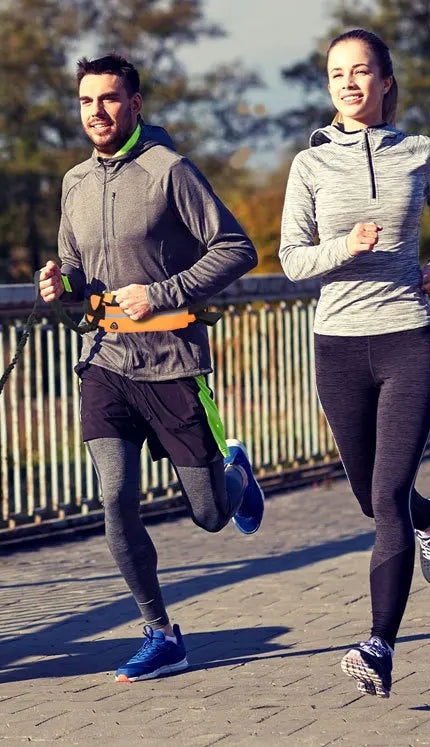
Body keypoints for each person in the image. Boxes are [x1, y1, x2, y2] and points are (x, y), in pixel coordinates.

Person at [38, 53, 265, 683]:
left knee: (210, 515)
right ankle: (161, 632)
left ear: (136, 104)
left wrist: (162, 294)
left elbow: (237, 248)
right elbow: (77, 269)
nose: (97, 112)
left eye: (109, 99)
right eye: (86, 101)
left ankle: (236, 477)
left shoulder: (171, 172)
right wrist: (60, 284)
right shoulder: (74, 182)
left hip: (171, 361)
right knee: (115, 497)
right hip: (106, 361)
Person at [279, 29, 430, 699]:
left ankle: (378, 645)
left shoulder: (419, 154)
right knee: (374, 499)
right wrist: (343, 246)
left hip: (407, 337)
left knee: (389, 495)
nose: (349, 82)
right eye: (338, 73)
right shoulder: (309, 166)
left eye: (362, 71)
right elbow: (289, 259)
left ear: (386, 81)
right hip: (337, 345)